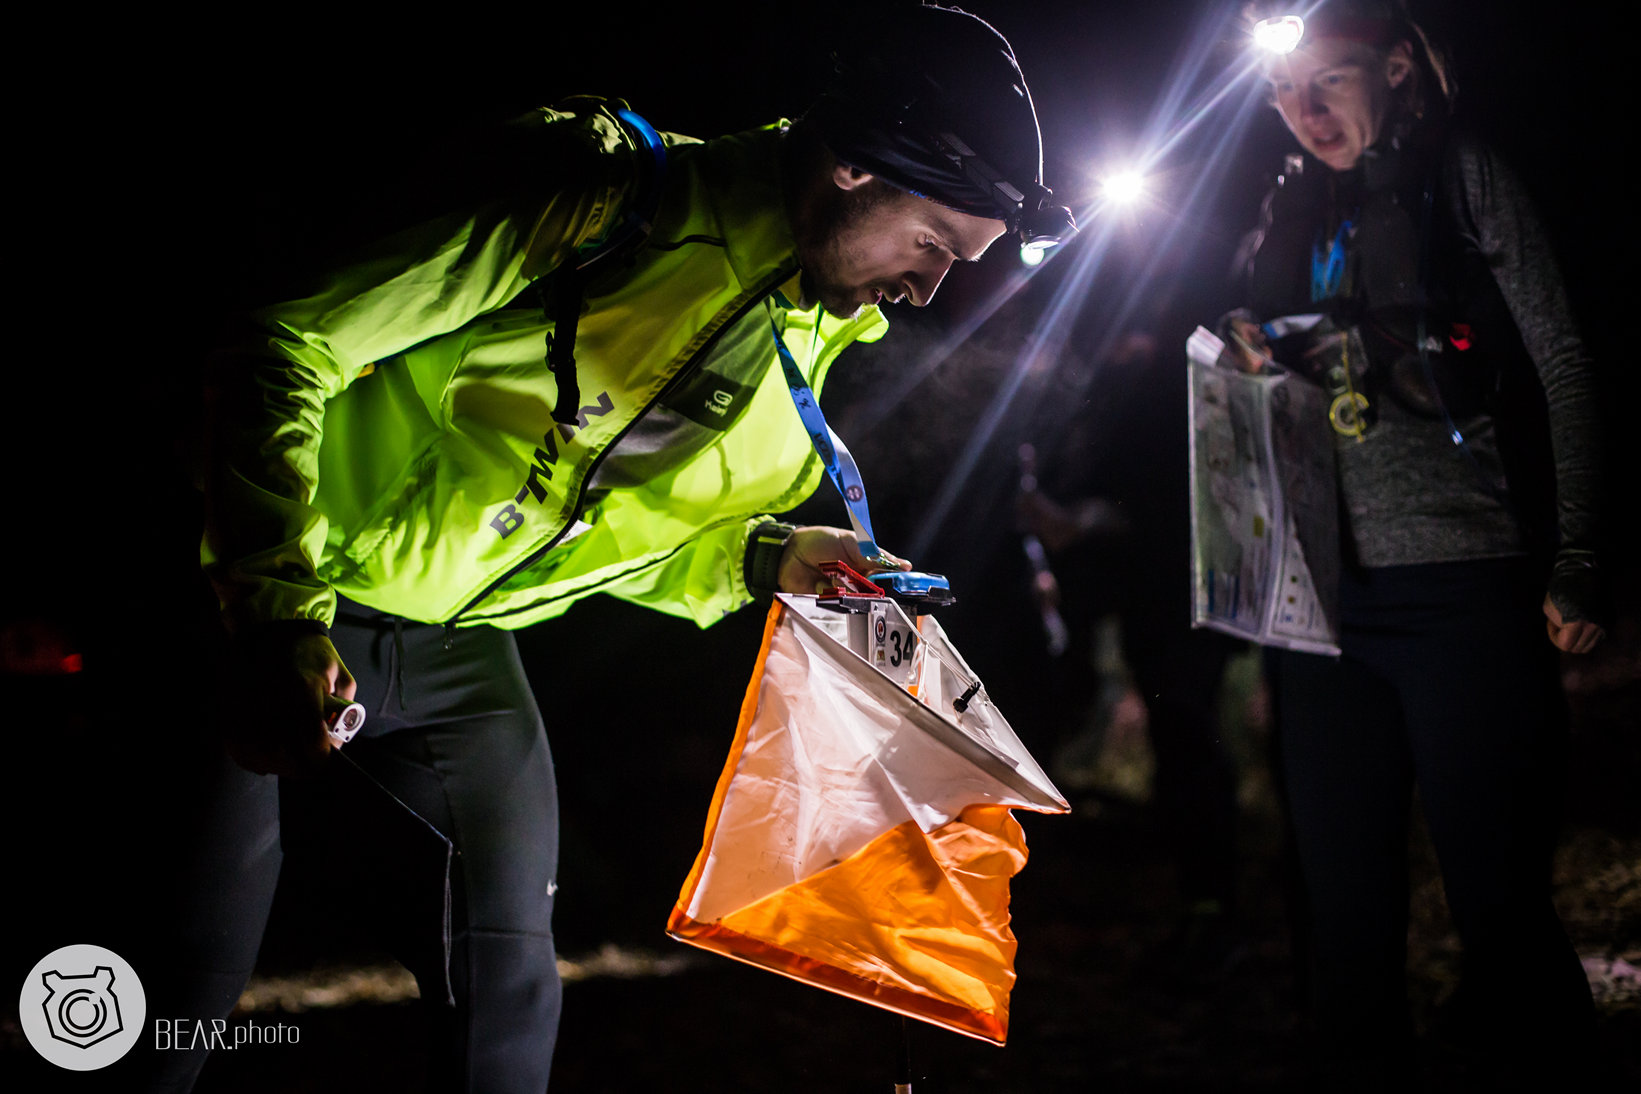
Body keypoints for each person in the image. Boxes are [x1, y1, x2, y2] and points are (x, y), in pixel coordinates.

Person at [141, 7, 1074, 1091]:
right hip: (259, 592)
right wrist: (268, 604)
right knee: (176, 992)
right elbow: (282, 345)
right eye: (931, 245)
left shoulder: (815, 328)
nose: (928, 290)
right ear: (858, 165)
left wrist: (766, 556)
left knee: (509, 996)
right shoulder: (592, 189)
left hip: (457, 646)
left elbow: (609, 531)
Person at [1228, 1, 1605, 1086]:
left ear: (1398, 67)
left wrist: (1578, 555)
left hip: (1466, 591)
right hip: (1325, 612)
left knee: (1499, 905)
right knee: (1343, 918)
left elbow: (1565, 363)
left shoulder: (1464, 175)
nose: (1304, 113)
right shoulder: (1291, 200)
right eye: (1283, 95)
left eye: (1329, 82)